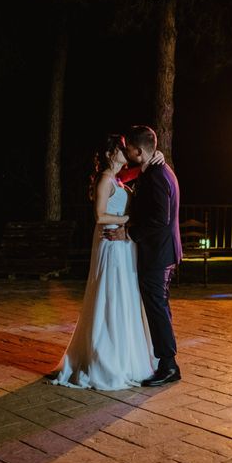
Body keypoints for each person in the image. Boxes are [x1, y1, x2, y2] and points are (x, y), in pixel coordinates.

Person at [51, 135, 164, 390]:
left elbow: (143, 167)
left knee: (125, 295)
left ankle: (126, 354)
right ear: (111, 153)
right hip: (111, 243)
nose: (126, 150)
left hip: (124, 245)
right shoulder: (104, 178)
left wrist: (159, 157)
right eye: (121, 148)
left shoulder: (119, 179)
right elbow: (100, 216)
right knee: (110, 294)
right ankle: (105, 358)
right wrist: (130, 219)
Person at [105, 125, 182, 387]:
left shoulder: (157, 175)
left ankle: (169, 365)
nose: (126, 153)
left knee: (157, 306)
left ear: (139, 151)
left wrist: (128, 233)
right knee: (159, 305)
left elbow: (160, 219)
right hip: (161, 251)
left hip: (158, 252)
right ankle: (166, 360)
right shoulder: (153, 169)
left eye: (128, 149)